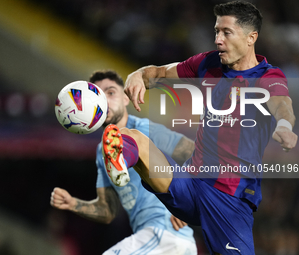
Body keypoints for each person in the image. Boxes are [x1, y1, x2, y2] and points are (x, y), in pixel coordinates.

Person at [100, 1, 298, 255]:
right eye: (216, 31)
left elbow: (282, 104)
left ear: (251, 38)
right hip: (190, 183)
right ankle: (119, 165)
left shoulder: (268, 77)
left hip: (229, 200)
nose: (217, 40)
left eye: (226, 33)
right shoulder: (207, 64)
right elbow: (157, 73)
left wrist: (283, 125)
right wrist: (137, 75)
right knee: (132, 137)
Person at [50, 70, 197, 255]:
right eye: (99, 95)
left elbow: (195, 153)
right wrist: (74, 204)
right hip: (154, 240)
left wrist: (185, 203)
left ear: (126, 99)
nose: (104, 101)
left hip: (165, 235)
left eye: (110, 93)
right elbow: (107, 210)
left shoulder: (145, 129)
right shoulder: (102, 151)